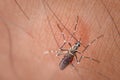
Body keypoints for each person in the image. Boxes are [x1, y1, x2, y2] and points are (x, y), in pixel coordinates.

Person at [0, 0, 119, 80]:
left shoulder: (73, 51)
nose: (76, 45)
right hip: (68, 58)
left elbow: (72, 50)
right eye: (77, 45)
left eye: (76, 45)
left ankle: (52, 52)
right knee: (70, 53)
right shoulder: (75, 52)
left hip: (68, 58)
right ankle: (53, 52)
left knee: (67, 50)